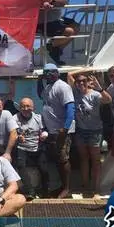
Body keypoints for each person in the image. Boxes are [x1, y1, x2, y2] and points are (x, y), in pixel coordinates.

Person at [68, 68, 112, 198]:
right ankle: (86, 186)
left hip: (95, 131)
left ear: (88, 82)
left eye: (84, 81)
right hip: (81, 131)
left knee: (95, 160)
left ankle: (96, 188)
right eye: (79, 81)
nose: (81, 83)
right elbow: (70, 74)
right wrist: (89, 69)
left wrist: (99, 87)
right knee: (84, 159)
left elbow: (108, 100)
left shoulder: (95, 94)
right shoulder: (75, 93)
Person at [22, 0, 79, 64]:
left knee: (76, 26)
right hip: (40, 22)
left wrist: (52, 0)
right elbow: (21, 2)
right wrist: (40, 2)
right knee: (70, 31)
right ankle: (52, 46)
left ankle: (55, 49)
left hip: (55, 19)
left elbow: (65, 1)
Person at [39, 63, 75, 198]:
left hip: (61, 131)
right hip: (51, 131)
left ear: (57, 73)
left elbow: (71, 108)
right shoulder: (48, 87)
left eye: (51, 72)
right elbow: (40, 95)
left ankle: (66, 188)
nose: (48, 75)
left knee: (63, 159)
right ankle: (61, 186)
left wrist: (64, 129)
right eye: (45, 72)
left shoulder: (63, 86)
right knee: (58, 160)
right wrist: (39, 81)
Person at [13, 98, 49, 200]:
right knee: (20, 166)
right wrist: (18, 137)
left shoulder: (38, 118)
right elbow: (12, 132)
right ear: (19, 108)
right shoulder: (15, 118)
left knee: (44, 168)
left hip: (37, 147)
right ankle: (30, 191)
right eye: (23, 106)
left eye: (28, 106)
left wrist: (44, 135)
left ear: (33, 107)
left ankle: (46, 191)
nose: (25, 108)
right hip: (22, 147)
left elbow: (45, 130)